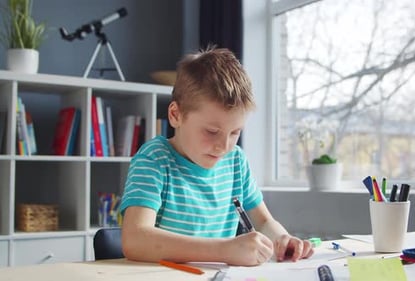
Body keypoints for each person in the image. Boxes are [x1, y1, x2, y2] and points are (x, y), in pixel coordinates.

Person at [119, 47, 314, 266]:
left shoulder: (235, 161)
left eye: (235, 133)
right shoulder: (155, 159)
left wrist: (281, 239)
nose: (224, 146)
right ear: (175, 115)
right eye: (211, 132)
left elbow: (264, 221)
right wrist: (224, 250)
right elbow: (135, 240)